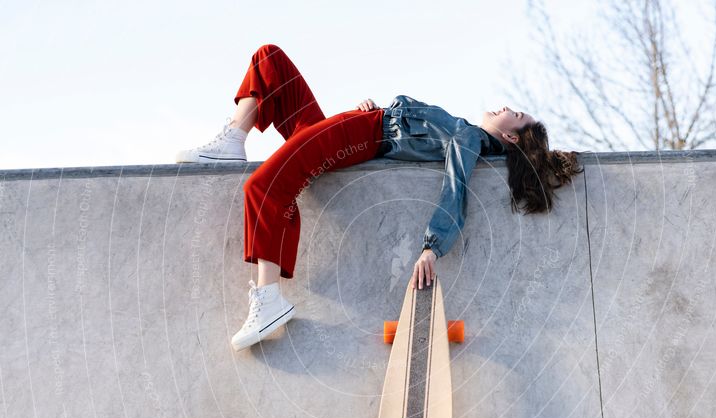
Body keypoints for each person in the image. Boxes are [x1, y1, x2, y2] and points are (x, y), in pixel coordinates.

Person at [176, 44, 583, 351]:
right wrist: (369, 113)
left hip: (362, 135)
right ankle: (234, 138)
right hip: (361, 125)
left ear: (511, 136)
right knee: (270, 60)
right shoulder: (463, 131)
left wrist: (431, 248)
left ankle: (269, 299)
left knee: (264, 185)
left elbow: (455, 189)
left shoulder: (468, 137)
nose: (508, 107)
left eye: (517, 114)